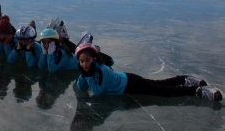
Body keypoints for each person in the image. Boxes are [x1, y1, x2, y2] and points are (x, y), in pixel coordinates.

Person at [75, 43, 222, 100]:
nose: (85, 63)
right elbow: (81, 87)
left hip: (130, 83)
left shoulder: (103, 70)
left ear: (94, 59)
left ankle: (197, 91)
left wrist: (86, 75)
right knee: (159, 84)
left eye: (87, 60)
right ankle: (184, 79)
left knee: (162, 91)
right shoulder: (88, 72)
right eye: (82, 61)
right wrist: (83, 75)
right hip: (127, 82)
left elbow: (97, 91)